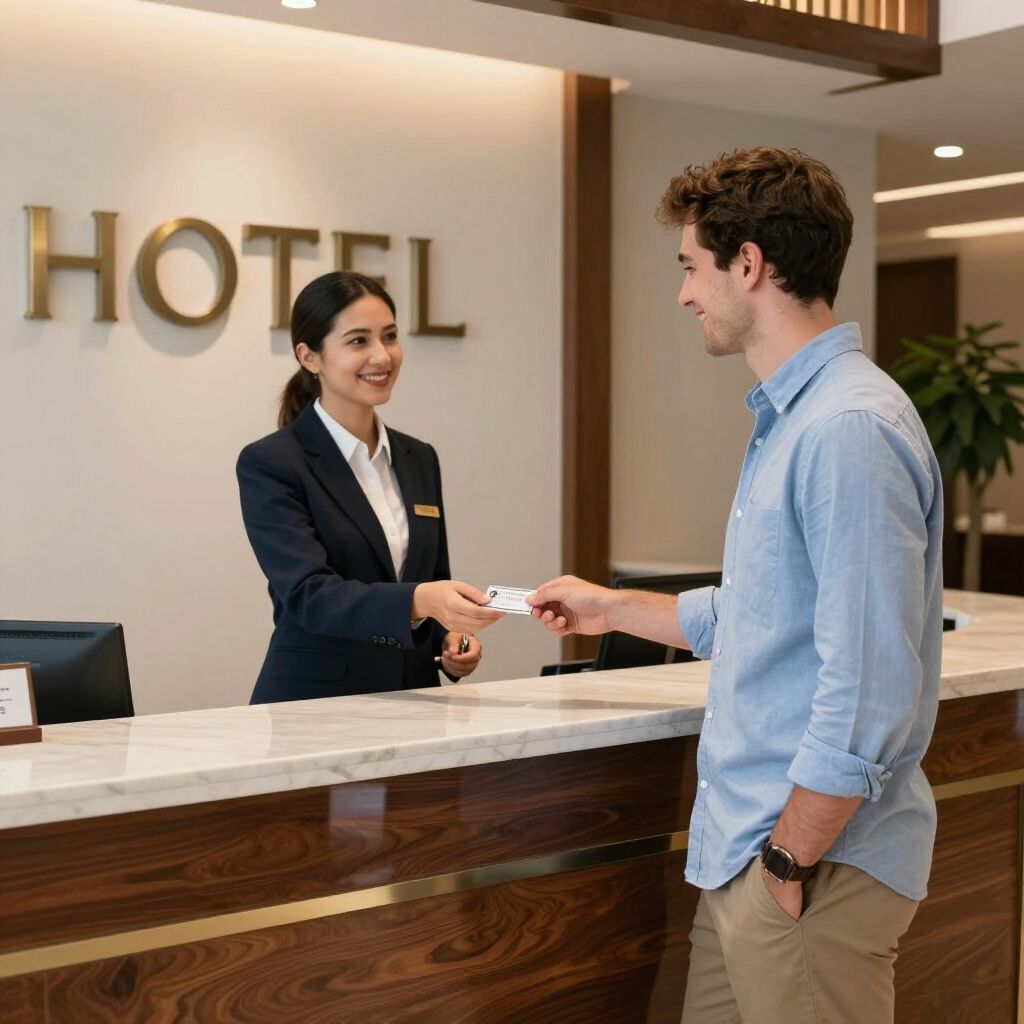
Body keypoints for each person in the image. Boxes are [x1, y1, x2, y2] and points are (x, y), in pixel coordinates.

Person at [528, 147, 942, 1024]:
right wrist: (609, 608)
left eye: (691, 267)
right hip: (747, 859)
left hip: (808, 871)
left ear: (747, 264)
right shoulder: (795, 420)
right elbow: (763, 615)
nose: (684, 294)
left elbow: (869, 688)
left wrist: (788, 865)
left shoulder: (845, 430)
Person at [237, 270, 502, 704]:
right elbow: (310, 596)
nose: (382, 356)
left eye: (390, 336)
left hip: (415, 701)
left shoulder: (419, 457)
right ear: (310, 356)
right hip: (314, 708)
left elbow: (430, 579)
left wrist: (449, 641)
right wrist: (421, 600)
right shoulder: (272, 462)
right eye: (359, 341)